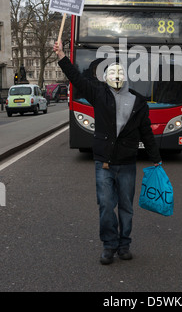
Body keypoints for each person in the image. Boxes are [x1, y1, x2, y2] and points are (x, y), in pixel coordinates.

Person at [53, 40, 161, 265]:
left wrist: (156, 158)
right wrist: (62, 56)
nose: (117, 78)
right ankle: (109, 245)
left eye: (120, 74)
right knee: (105, 206)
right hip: (104, 161)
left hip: (127, 162)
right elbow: (77, 78)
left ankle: (124, 245)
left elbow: (146, 133)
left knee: (126, 207)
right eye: (114, 74)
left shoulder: (138, 103)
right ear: (106, 77)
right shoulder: (99, 94)